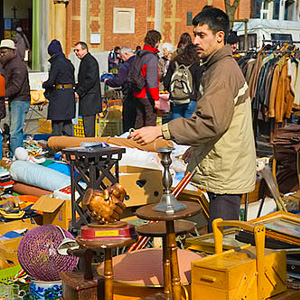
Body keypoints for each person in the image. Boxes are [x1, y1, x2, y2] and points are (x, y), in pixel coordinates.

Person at [129, 8, 256, 232]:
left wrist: (161, 131)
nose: (195, 41)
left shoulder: (222, 71)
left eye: (201, 35)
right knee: (219, 235)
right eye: (194, 34)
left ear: (219, 37)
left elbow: (210, 123)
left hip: (226, 169)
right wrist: (198, 147)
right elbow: (218, 121)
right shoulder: (216, 66)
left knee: (223, 241)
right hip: (223, 163)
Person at [0, 39, 30, 158]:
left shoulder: (18, 65)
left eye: (4, 52)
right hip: (15, 99)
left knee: (15, 131)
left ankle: (16, 156)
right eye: (0, 53)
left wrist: (2, 94)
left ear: (12, 51)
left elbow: (16, 86)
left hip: (20, 100)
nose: (2, 55)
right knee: (15, 129)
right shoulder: (7, 64)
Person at [42, 39, 76, 136]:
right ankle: (70, 146)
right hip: (69, 95)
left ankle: (55, 148)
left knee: (57, 126)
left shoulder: (56, 63)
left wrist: (44, 84)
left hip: (59, 97)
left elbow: (51, 81)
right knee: (67, 124)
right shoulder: (68, 62)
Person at [164, 42, 202, 119]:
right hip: (191, 99)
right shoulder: (196, 64)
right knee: (189, 126)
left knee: (175, 126)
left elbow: (166, 82)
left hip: (176, 100)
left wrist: (174, 92)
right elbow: (199, 84)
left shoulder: (174, 63)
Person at [134, 29, 161, 128]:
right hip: (147, 94)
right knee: (150, 122)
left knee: (139, 119)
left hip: (137, 91)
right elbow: (152, 81)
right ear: (156, 41)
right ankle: (147, 143)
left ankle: (136, 141)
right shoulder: (151, 58)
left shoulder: (140, 54)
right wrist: (156, 99)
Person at [104, 46, 136, 133]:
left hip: (129, 95)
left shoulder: (126, 65)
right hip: (141, 95)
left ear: (126, 54)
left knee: (128, 123)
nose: (120, 58)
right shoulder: (140, 61)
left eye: (121, 56)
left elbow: (119, 81)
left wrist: (108, 81)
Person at [74, 41, 102, 137]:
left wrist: (79, 91)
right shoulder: (85, 61)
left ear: (85, 50)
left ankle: (90, 146)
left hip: (90, 99)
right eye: (75, 51)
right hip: (87, 98)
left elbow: (90, 80)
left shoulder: (90, 61)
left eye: (78, 50)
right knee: (86, 125)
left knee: (89, 126)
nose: (76, 53)